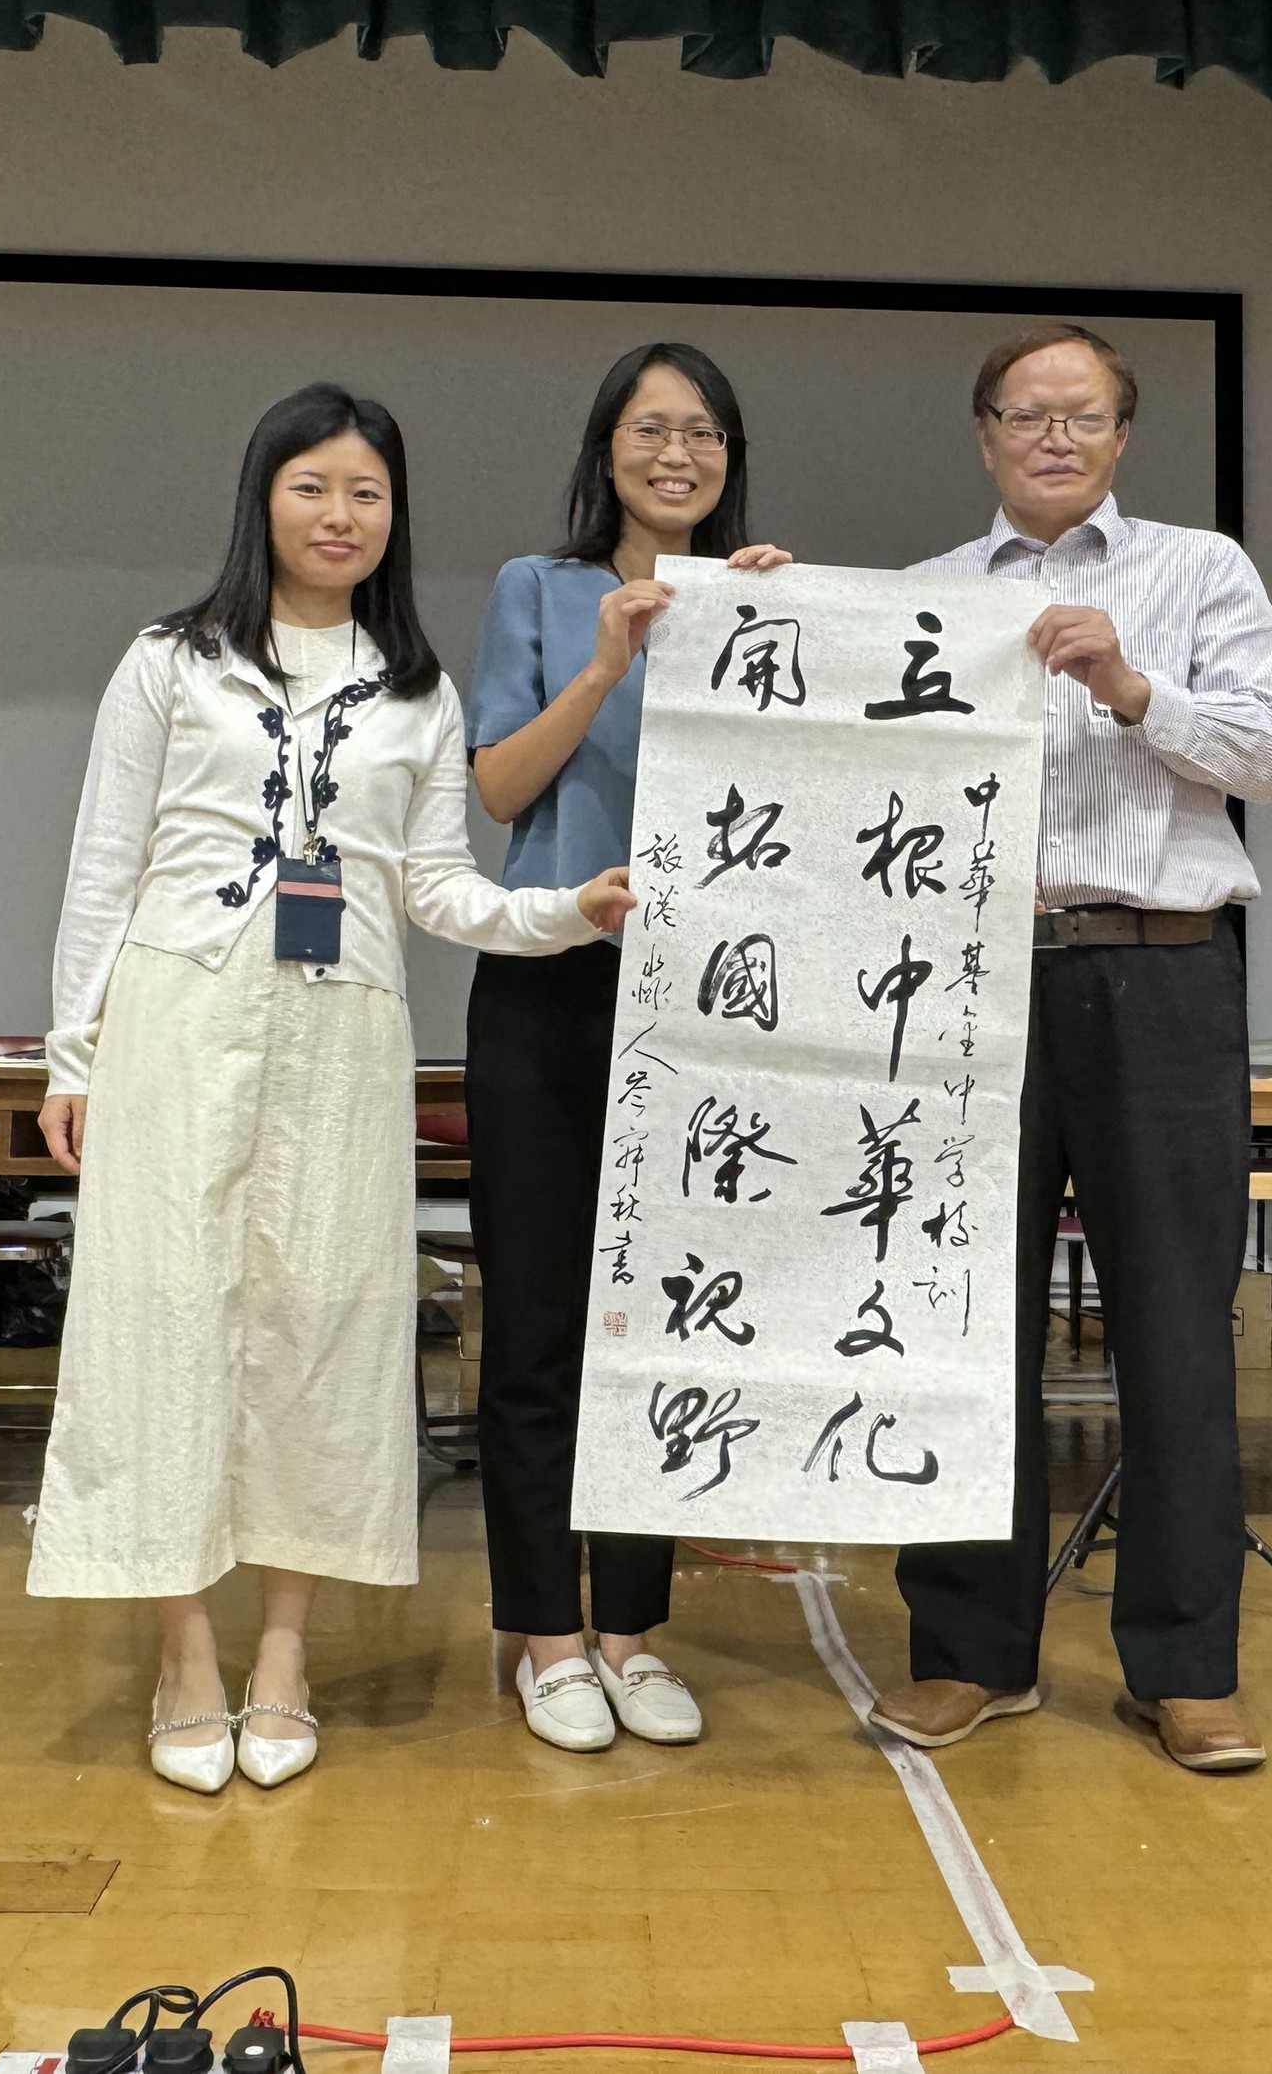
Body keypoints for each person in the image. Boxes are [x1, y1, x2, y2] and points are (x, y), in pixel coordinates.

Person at [27, 383, 635, 1796]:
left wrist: (563, 912)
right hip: (179, 1021)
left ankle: (286, 1656)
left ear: (392, 515)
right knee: (164, 1324)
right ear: (264, 498)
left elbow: (436, 888)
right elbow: (104, 864)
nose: (340, 515)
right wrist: (73, 1051)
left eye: (367, 493)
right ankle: (187, 1656)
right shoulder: (170, 661)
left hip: (341, 1039)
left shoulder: (416, 691)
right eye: (312, 486)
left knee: (320, 1331)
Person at [740, 322, 1272, 1773]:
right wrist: (764, 622)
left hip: (1159, 973)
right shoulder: (925, 595)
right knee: (952, 1320)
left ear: (1122, 434)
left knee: (1175, 1328)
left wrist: (1133, 686)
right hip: (968, 985)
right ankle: (970, 1654)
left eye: (1083, 413)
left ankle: (1187, 1668)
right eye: (1025, 414)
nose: (1055, 435)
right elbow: (837, 781)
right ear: (984, 434)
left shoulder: (1200, 571)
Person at [465, 342, 756, 1753]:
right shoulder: (537, 587)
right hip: (552, 979)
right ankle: (542, 1634)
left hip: (705, 1001)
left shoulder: (763, 599)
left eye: (701, 432)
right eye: (649, 429)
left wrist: (786, 627)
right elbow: (496, 786)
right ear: (606, 450)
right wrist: (604, 663)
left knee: (660, 1322)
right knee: (536, 1327)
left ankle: (632, 1631)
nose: (675, 454)